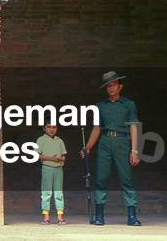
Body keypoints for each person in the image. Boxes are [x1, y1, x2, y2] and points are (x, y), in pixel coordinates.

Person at [80, 71, 142, 226]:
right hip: (105, 142)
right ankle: (100, 216)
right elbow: (97, 128)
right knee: (101, 178)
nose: (110, 88)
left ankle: (132, 216)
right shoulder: (100, 107)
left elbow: (134, 126)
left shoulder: (129, 105)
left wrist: (134, 150)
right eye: (108, 86)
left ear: (120, 86)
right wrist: (87, 147)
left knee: (126, 178)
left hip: (122, 141)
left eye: (113, 85)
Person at [36, 123, 67, 224]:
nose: (51, 129)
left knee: (59, 192)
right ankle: (46, 216)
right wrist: (52, 158)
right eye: (49, 127)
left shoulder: (59, 140)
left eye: (54, 127)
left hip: (58, 168)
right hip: (47, 168)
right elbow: (37, 156)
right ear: (44, 128)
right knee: (46, 192)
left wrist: (59, 159)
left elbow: (64, 157)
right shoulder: (41, 140)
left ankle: (60, 216)